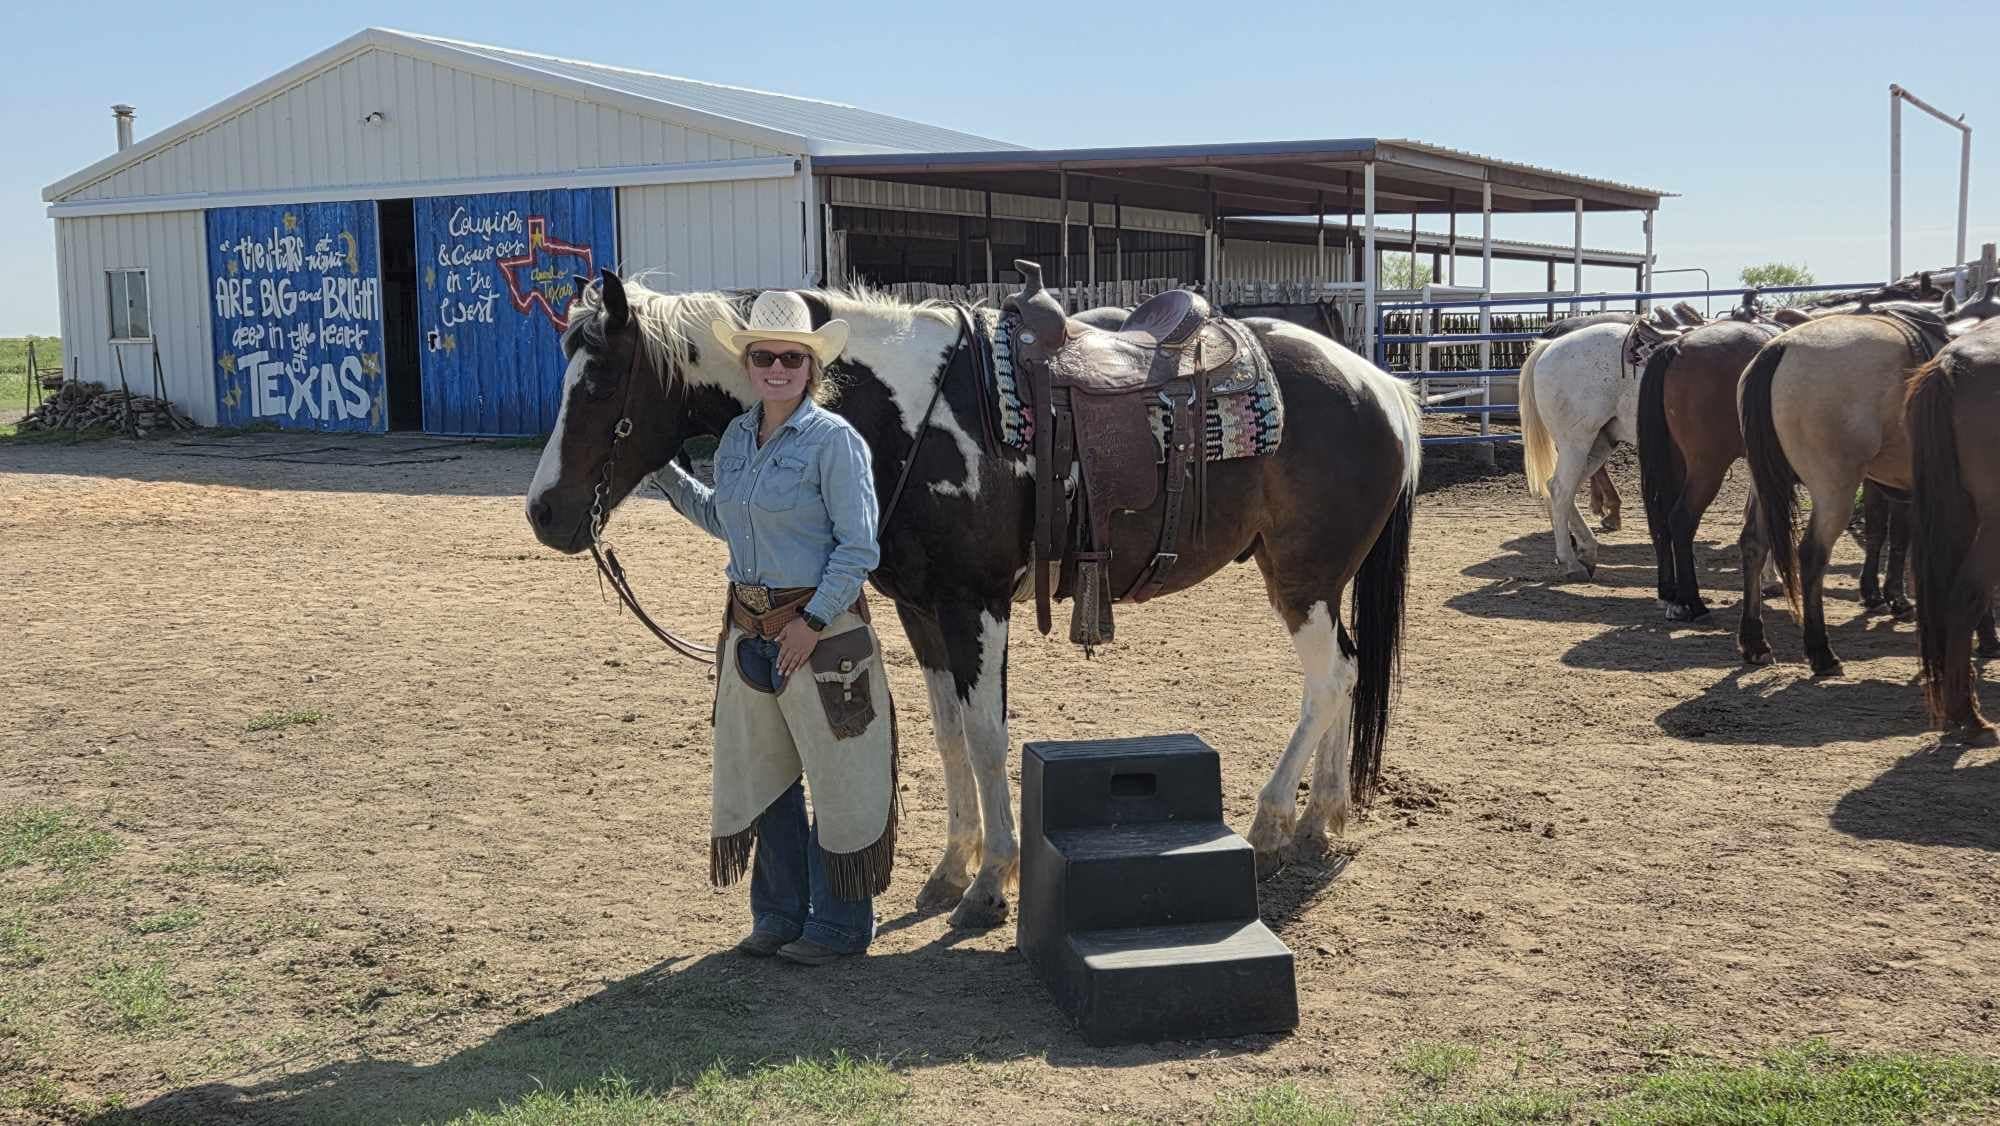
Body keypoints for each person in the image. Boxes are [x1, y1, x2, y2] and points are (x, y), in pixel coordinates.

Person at [650, 290, 896, 967]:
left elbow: (858, 547)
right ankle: (780, 915)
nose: (778, 367)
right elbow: (723, 518)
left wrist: (812, 622)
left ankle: (842, 925)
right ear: (750, 364)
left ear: (811, 368)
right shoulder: (736, 439)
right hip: (748, 630)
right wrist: (662, 473)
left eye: (792, 357)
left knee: (840, 777)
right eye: (765, 357)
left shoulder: (834, 442)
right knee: (768, 778)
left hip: (826, 639)